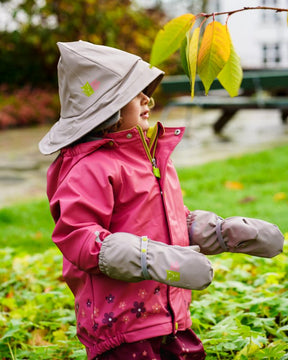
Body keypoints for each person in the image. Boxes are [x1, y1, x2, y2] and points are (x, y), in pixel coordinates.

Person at [39, 40, 284, 360]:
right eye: (134, 92)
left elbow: (168, 221)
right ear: (105, 107)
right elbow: (79, 237)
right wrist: (152, 259)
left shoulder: (149, 158)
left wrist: (222, 232)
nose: (148, 99)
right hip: (124, 328)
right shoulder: (89, 168)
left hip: (171, 318)